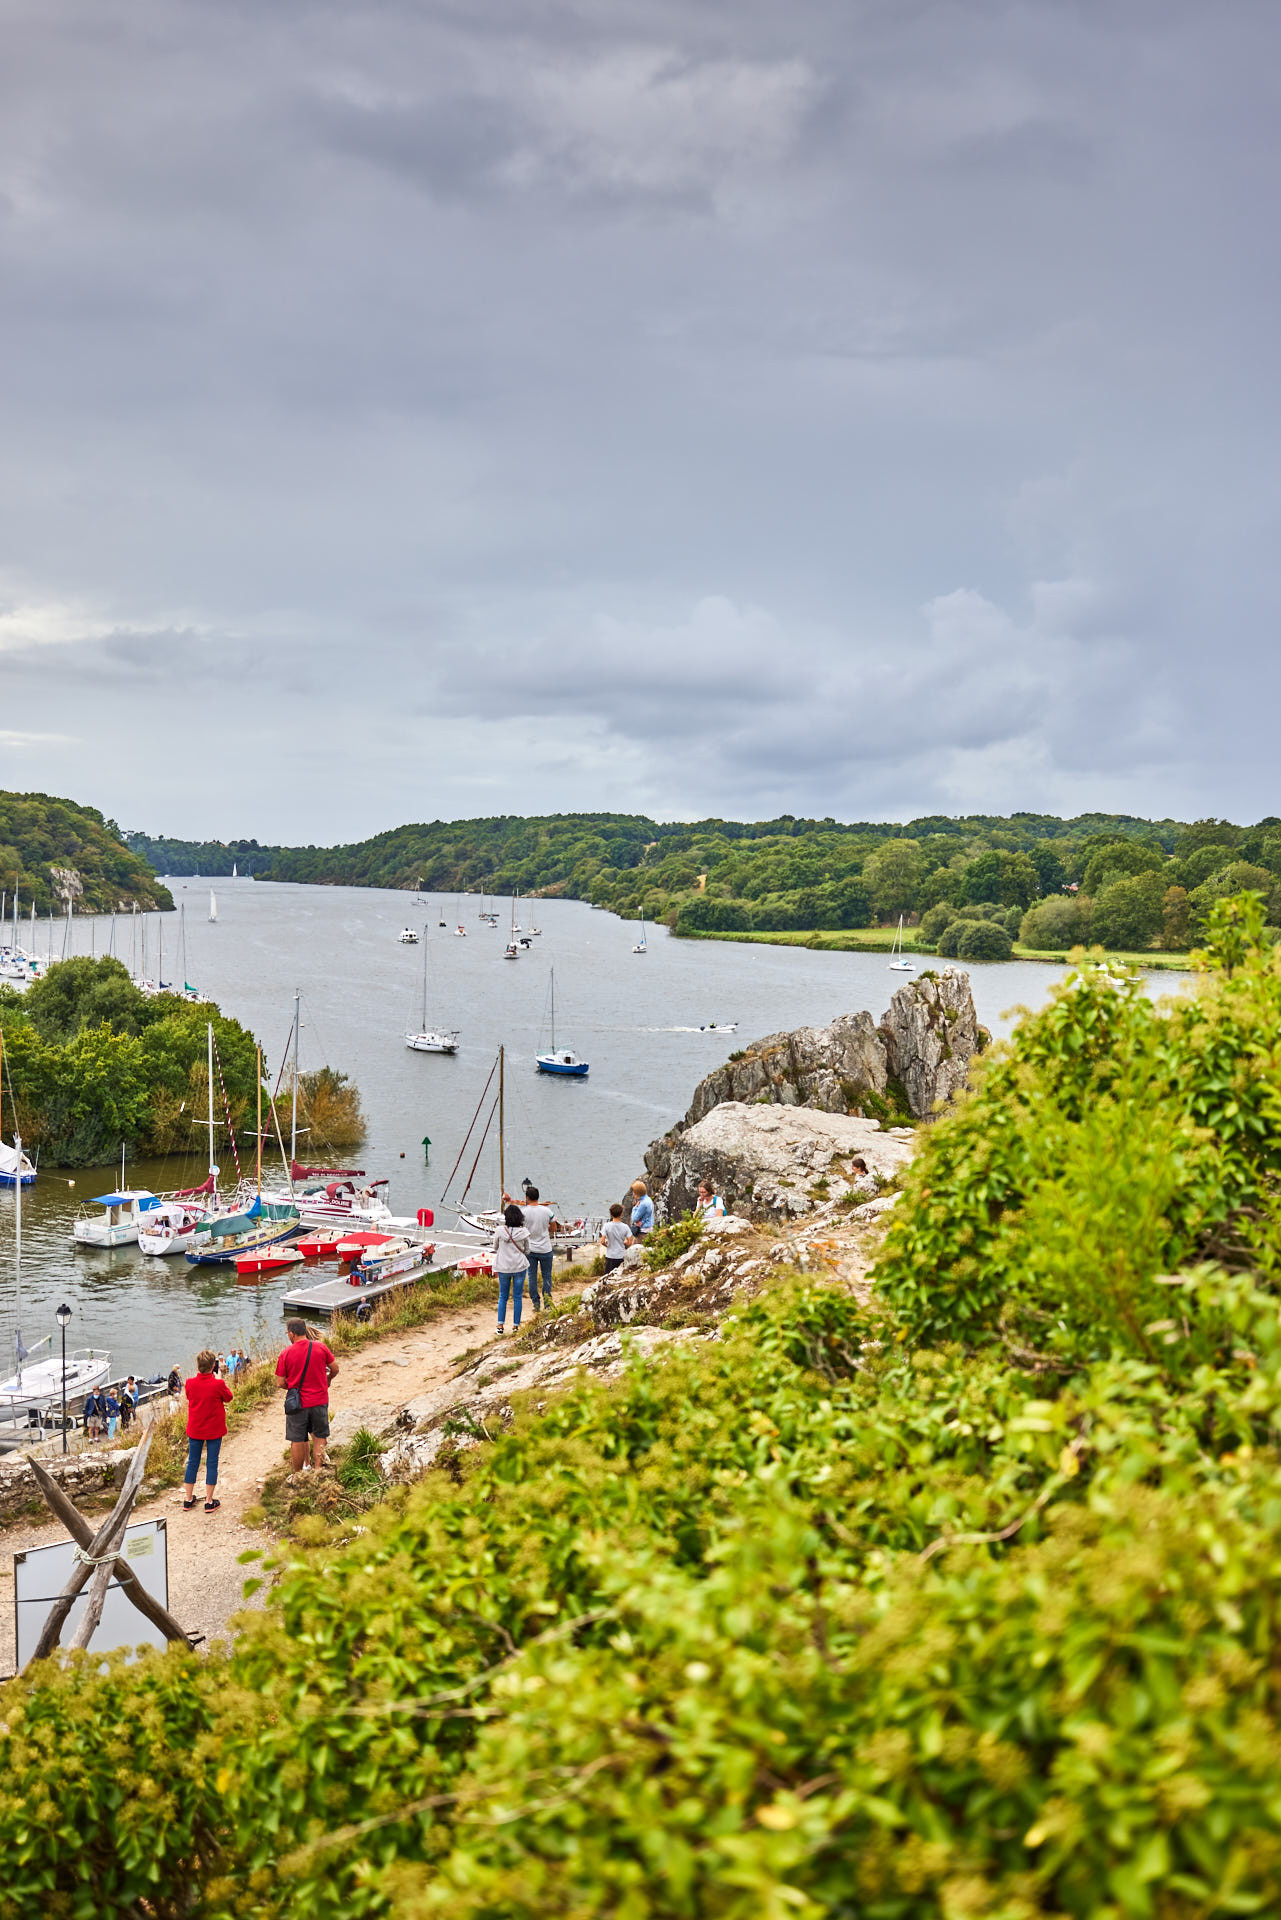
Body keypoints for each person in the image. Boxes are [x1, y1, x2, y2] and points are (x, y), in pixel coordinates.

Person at [276, 1317, 339, 1473]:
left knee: (297, 1439)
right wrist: (328, 1380)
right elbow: (335, 1368)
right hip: (319, 1400)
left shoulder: (286, 1353)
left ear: (291, 1334)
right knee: (320, 1436)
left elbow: (280, 1382)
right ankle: (318, 1470)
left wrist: (293, 1388)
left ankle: (298, 1474)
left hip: (298, 1404)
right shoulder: (320, 1347)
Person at [183, 1348, 232, 1513]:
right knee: (212, 1463)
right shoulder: (217, 1384)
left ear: (198, 1365)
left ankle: (188, 1499)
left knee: (192, 1463)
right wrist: (220, 1379)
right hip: (214, 1430)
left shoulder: (189, 1383)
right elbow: (229, 1398)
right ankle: (209, 1501)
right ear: (213, 1366)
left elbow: (190, 1397)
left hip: (195, 1428)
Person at [507, 1183, 556, 1312]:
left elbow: (520, 1228)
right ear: (538, 1197)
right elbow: (554, 1227)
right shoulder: (547, 1211)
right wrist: (547, 1230)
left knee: (532, 1276)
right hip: (545, 1248)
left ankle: (535, 1302)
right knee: (547, 1275)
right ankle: (548, 1302)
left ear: (527, 1198)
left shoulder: (523, 1212)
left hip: (530, 1249)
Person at [493, 1203, 531, 1333]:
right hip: (519, 1266)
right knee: (517, 1297)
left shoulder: (499, 1231)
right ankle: (515, 1325)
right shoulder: (524, 1232)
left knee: (503, 1296)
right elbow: (527, 1250)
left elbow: (495, 1247)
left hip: (503, 1267)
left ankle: (500, 1325)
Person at [600, 1204, 633, 1274]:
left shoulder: (606, 1226)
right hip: (621, 1255)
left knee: (608, 1276)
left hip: (610, 1255)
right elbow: (630, 1242)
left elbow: (602, 1241)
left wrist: (608, 1246)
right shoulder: (625, 1227)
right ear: (621, 1214)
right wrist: (624, 1242)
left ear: (611, 1214)